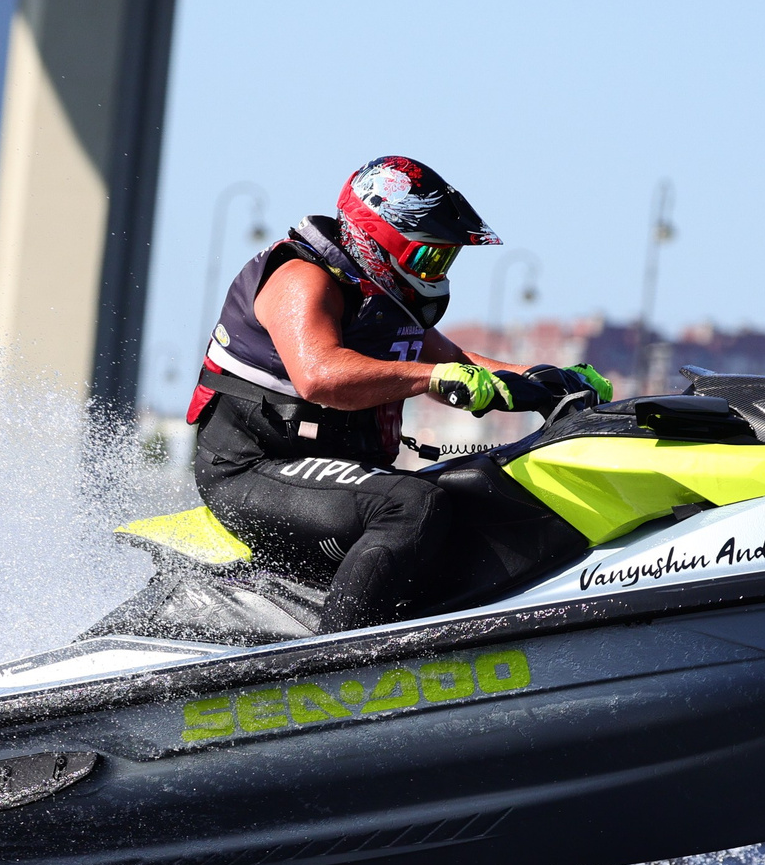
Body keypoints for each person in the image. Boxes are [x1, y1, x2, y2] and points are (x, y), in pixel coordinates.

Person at [188, 156, 610, 632]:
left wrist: (549, 381)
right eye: (430, 257)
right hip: (250, 466)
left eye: (446, 260)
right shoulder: (301, 279)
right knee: (409, 505)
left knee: (475, 489)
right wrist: (429, 379)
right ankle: (340, 661)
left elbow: (462, 363)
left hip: (326, 468)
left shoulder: (383, 302)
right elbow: (319, 376)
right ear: (377, 240)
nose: (437, 273)